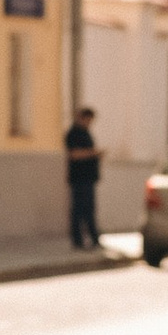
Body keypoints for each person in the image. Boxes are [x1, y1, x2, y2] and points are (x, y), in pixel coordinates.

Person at [65, 102, 103, 250]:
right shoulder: (73, 133)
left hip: (88, 177)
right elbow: (74, 154)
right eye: (88, 120)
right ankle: (78, 240)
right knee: (79, 210)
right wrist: (93, 153)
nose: (89, 123)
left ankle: (94, 238)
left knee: (89, 209)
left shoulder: (86, 133)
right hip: (79, 178)